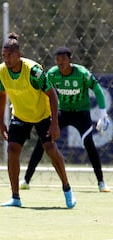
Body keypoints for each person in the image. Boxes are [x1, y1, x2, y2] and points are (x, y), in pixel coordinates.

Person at [0, 33, 76, 208]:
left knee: (50, 148)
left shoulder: (34, 71)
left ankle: (67, 189)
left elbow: (52, 95)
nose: (6, 59)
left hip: (42, 115)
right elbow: (1, 95)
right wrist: (1, 121)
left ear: (19, 55)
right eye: (4, 56)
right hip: (20, 115)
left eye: (10, 55)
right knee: (12, 149)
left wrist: (54, 123)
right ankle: (15, 197)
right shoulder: (0, 72)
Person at [19, 47, 110, 192]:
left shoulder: (82, 74)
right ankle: (26, 180)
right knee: (43, 141)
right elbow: (40, 91)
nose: (60, 62)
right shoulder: (52, 74)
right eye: (58, 59)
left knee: (89, 143)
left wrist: (103, 113)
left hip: (81, 113)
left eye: (63, 59)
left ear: (70, 60)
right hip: (62, 112)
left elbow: (97, 89)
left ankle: (101, 182)